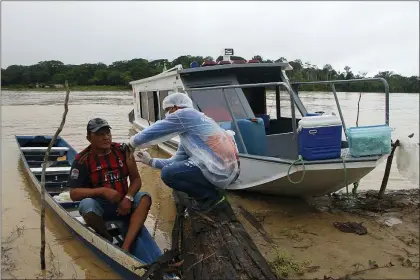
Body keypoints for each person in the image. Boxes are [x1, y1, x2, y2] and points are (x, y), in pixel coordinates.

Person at [128, 92, 240, 212]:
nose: (167, 114)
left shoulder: (185, 114)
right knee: (172, 170)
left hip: (221, 169)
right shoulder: (191, 133)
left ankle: (210, 198)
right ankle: (210, 193)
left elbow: (154, 130)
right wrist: (150, 161)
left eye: (167, 110)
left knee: (168, 174)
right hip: (229, 171)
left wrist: (131, 143)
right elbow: (175, 161)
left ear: (175, 107)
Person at [68, 118, 151, 253]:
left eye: (108, 133)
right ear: (89, 138)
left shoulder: (123, 151)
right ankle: (106, 237)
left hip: (124, 205)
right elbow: (74, 194)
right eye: (100, 134)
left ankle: (126, 246)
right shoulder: (82, 160)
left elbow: (136, 179)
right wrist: (102, 191)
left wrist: (128, 198)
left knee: (144, 198)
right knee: (87, 206)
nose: (106, 137)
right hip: (100, 208)